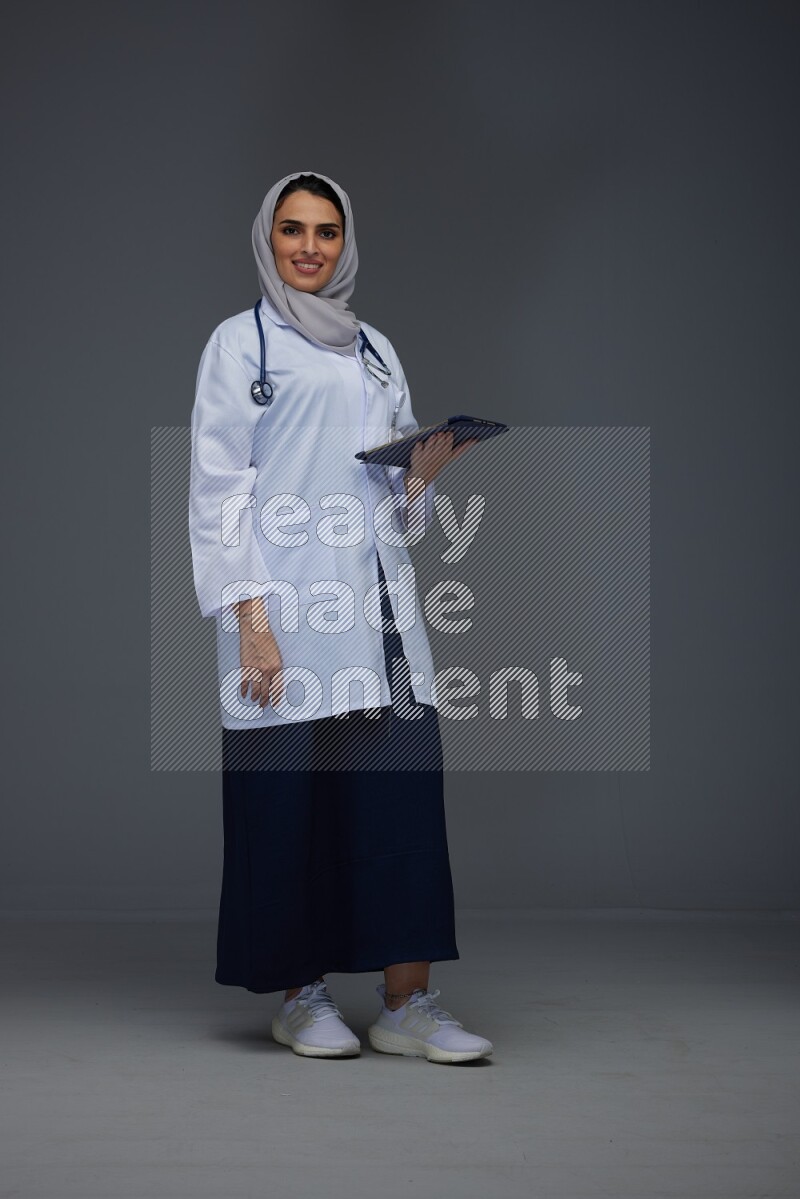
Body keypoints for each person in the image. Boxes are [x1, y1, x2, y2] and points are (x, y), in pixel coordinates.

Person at [188, 170, 493, 1064]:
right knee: (290, 800)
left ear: (345, 240)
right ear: (268, 239)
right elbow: (219, 492)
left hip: (380, 605)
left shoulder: (374, 348)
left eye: (326, 232)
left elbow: (394, 507)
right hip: (284, 603)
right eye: (293, 231)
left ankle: (408, 1003)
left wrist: (422, 478)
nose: (311, 248)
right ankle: (301, 994)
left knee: (398, 797)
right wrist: (250, 616)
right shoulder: (238, 347)